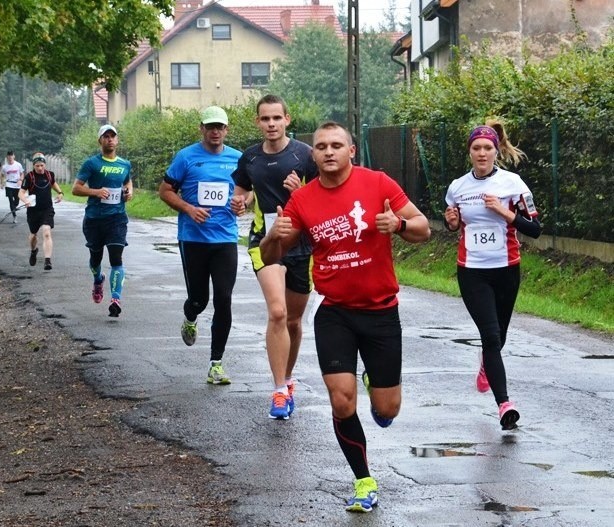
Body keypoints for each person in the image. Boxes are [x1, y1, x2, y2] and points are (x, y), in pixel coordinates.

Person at [260, 122, 430, 513]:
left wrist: (398, 225)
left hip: (382, 313)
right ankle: (363, 480)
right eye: (321, 146)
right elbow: (271, 258)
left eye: (337, 145)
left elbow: (422, 228)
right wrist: (273, 234)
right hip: (335, 312)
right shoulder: (302, 200)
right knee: (341, 401)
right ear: (313, 155)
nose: (328, 151)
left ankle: (376, 385)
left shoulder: (379, 184)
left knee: (387, 411)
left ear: (351, 151)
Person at [444, 121, 541, 431]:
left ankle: (488, 362)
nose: (482, 153)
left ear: (496, 151)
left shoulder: (513, 184)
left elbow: (535, 229)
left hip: (507, 270)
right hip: (472, 272)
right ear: (470, 152)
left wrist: (505, 212)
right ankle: (505, 405)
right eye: (476, 148)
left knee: (499, 336)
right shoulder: (458, 187)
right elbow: (453, 224)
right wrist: (451, 221)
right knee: (490, 335)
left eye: (487, 148)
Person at [229, 94, 319, 420]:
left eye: (276, 118)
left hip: (300, 243)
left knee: (294, 322)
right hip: (265, 241)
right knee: (278, 313)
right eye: (265, 119)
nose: (270, 124)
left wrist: (300, 193)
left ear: (287, 120)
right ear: (257, 122)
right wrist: (238, 202)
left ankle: (288, 377)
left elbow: (323, 197)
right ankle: (279, 389)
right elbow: (241, 192)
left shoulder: (305, 155)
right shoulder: (249, 158)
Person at [159, 106, 242, 385]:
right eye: (210, 127)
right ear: (202, 129)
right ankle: (190, 315)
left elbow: (248, 192)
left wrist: (243, 203)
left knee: (224, 298)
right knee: (200, 299)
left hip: (226, 239)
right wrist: (188, 208)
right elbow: (165, 190)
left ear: (227, 130)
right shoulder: (186, 157)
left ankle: (216, 364)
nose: (215, 131)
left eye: (220, 127)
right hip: (193, 239)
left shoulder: (237, 159)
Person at [72, 124, 133, 318]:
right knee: (95, 258)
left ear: (117, 140)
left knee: (116, 258)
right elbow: (76, 188)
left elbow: (127, 181)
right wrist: (96, 192)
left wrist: (128, 191)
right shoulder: (92, 164)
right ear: (100, 141)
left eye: (112, 136)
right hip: (94, 219)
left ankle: (115, 299)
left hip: (117, 218)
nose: (109, 139)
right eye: (105, 136)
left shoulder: (124, 164)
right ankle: (98, 279)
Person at [19, 153, 65, 271]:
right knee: (33, 235)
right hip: (33, 211)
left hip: (47, 209)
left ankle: (47, 261)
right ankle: (34, 251)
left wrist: (60, 193)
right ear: (34, 165)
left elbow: (54, 184)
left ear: (45, 164)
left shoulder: (49, 175)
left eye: (42, 165)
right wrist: (25, 201)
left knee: (46, 232)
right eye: (37, 166)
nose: (40, 168)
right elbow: (21, 193)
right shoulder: (29, 177)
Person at [1, 150, 24, 223]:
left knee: (17, 201)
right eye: (9, 156)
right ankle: (14, 216)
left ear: (14, 156)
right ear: (7, 157)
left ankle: (14, 207)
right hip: (9, 185)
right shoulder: (5, 167)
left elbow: (22, 173)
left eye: (11, 156)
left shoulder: (18, 165)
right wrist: (2, 183)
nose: (10, 157)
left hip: (17, 185)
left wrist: (20, 180)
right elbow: (1, 175)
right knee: (11, 200)